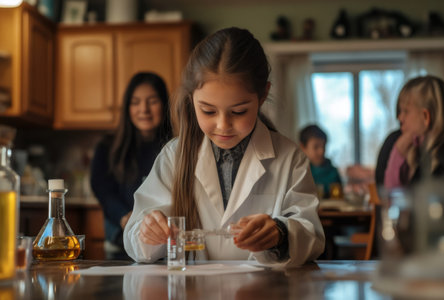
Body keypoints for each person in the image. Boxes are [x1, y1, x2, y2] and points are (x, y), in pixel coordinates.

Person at [123, 27, 325, 267]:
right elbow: (134, 238)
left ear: (263, 95)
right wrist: (149, 232)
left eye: (239, 111)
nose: (223, 125)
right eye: (208, 111)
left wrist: (281, 233)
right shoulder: (173, 157)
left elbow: (311, 235)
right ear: (191, 99)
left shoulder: (289, 158)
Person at [90, 72, 173, 259]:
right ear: (127, 107)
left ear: (164, 105)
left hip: (164, 244)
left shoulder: (174, 149)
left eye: (152, 101)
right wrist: (124, 217)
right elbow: (102, 189)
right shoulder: (107, 147)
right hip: (120, 241)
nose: (144, 109)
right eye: (135, 102)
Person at [384, 75, 444, 189]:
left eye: (406, 111)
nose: (400, 118)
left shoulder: (442, 161)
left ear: (425, 116)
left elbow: (395, 199)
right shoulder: (425, 152)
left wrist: (397, 154)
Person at [299, 124, 342, 198]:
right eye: (316, 147)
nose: (321, 151)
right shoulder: (299, 171)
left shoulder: (333, 171)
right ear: (303, 147)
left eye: (324, 146)